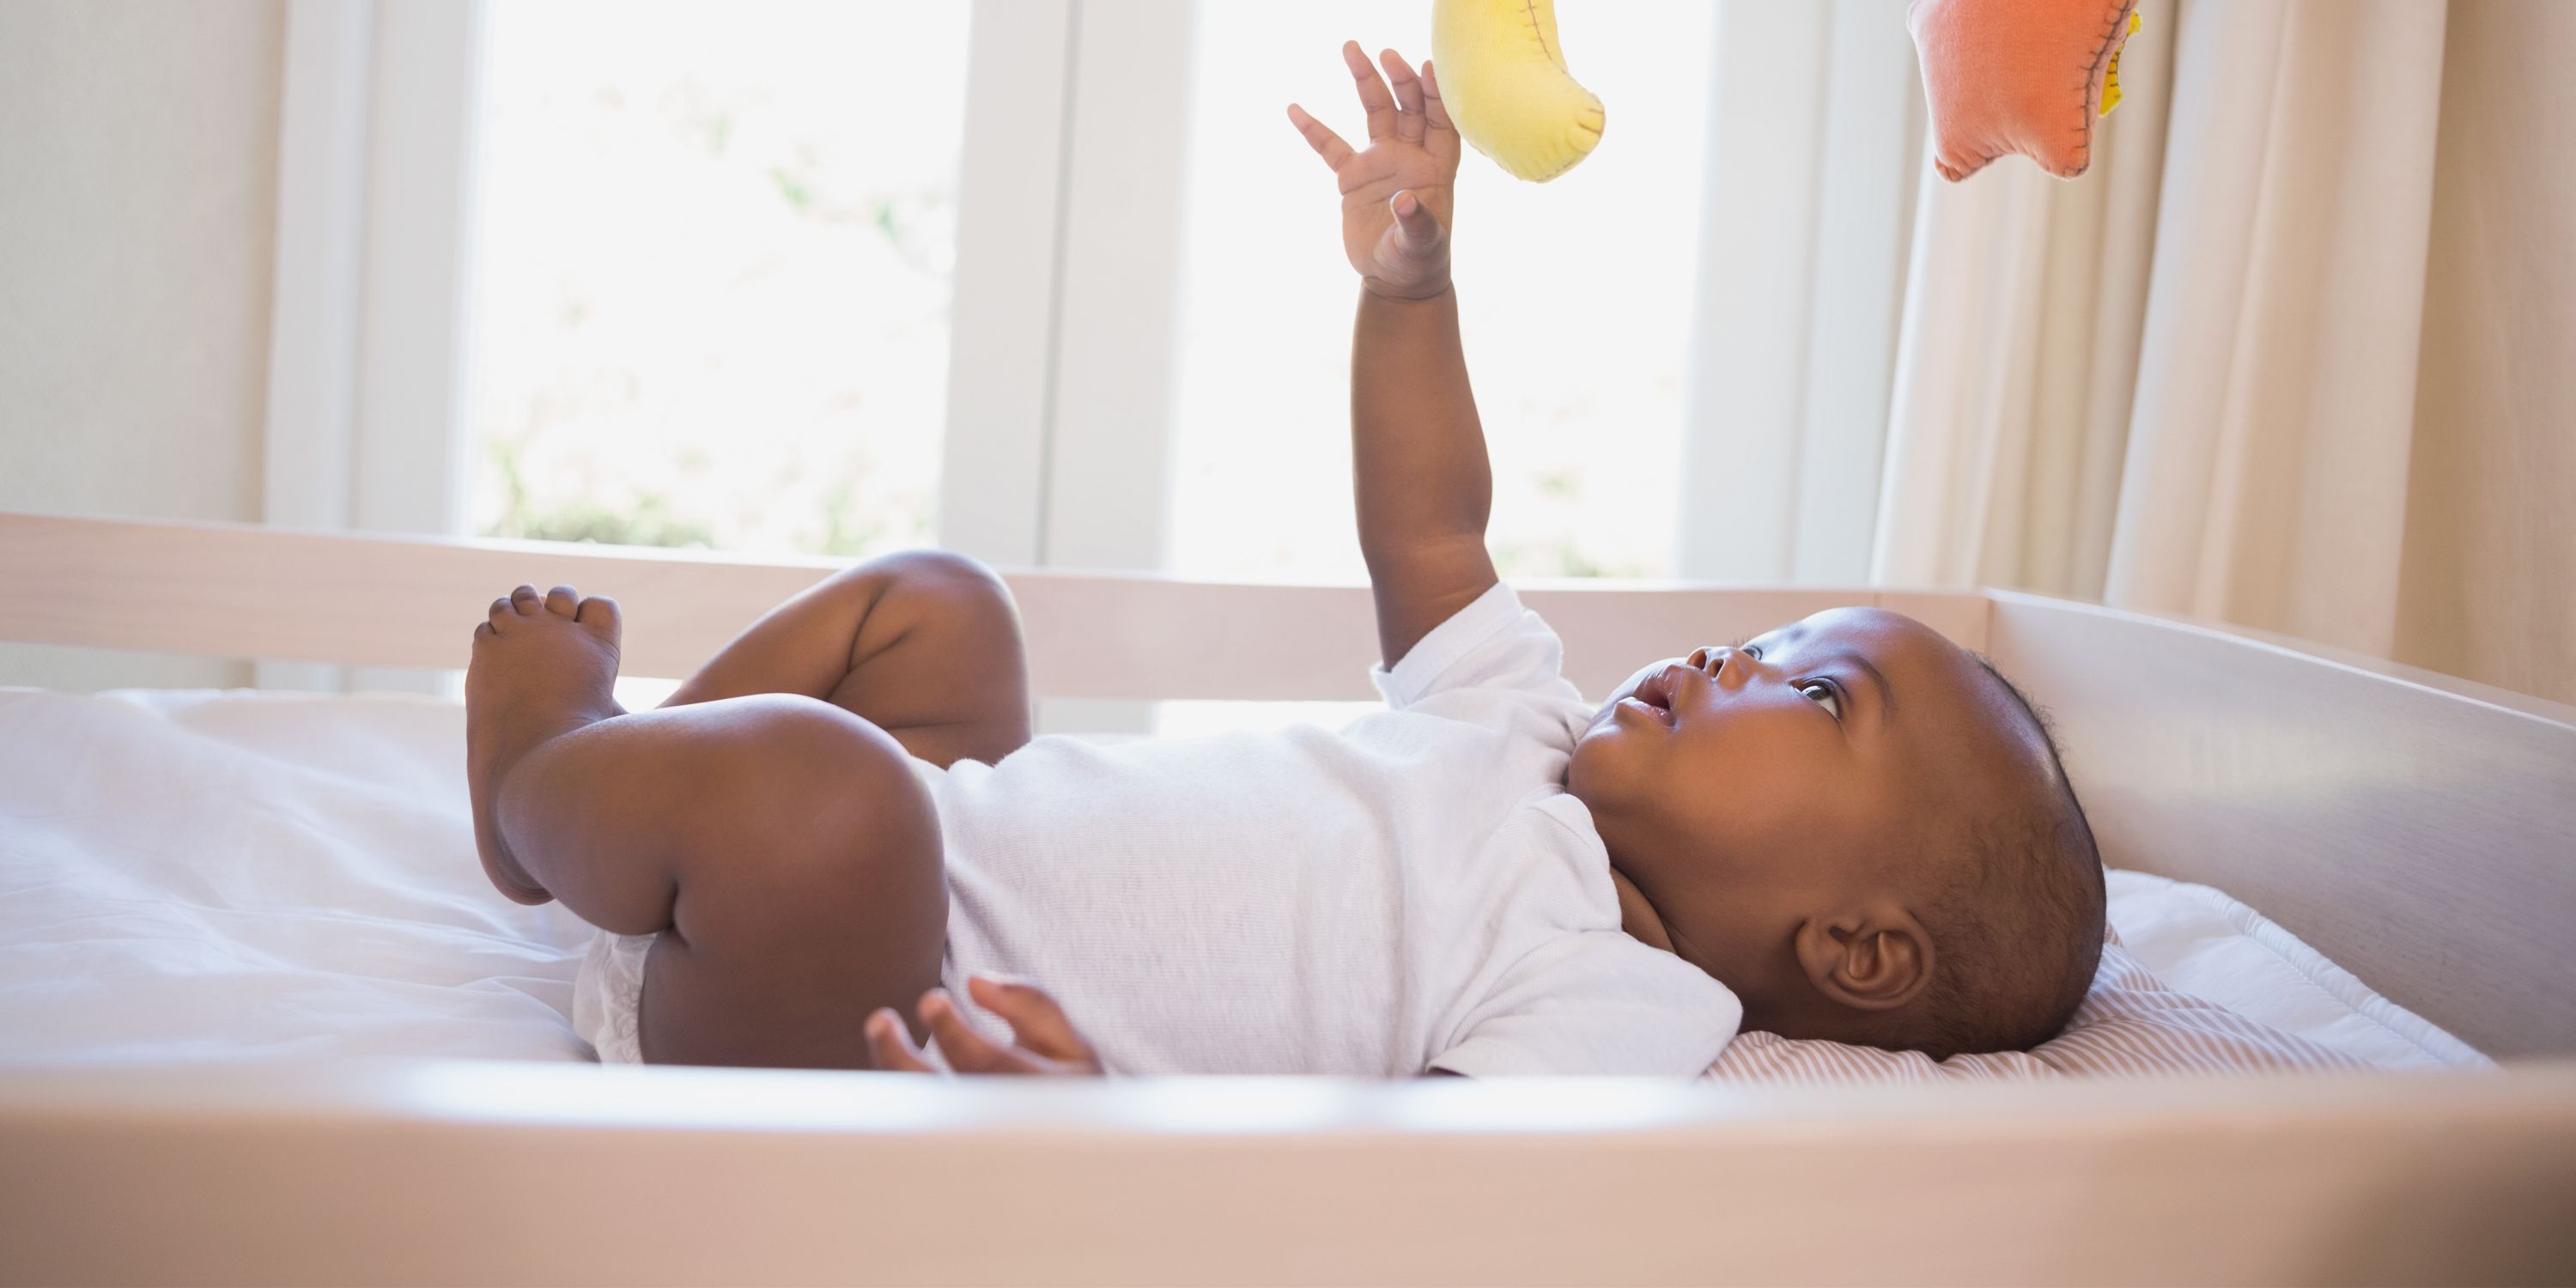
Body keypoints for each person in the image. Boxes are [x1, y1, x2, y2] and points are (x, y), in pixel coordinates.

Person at [463, 41, 2105, 1077]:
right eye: (1769, 637)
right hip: (940, 841)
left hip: (855, 1006)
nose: (1729, 660)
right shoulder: (1519, 730)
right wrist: (1408, 294)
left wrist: (1081, 1123)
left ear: (1860, 951)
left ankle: (551, 780)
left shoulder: (1622, 1009)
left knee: (833, 803)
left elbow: (1386, 1210)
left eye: (1813, 697)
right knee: (940, 606)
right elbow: (1432, 530)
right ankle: (628, 819)